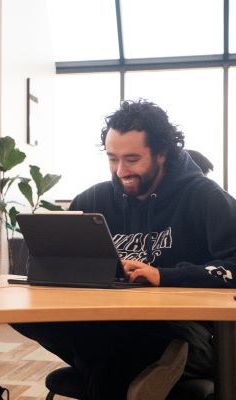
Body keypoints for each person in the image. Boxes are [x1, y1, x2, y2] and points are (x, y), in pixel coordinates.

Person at [12, 99, 236, 400]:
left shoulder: (205, 197)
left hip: (184, 327)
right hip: (110, 322)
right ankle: (144, 372)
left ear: (162, 154)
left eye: (132, 159)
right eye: (112, 158)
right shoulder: (93, 200)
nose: (120, 171)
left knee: (114, 351)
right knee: (25, 314)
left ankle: (126, 371)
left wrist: (163, 275)